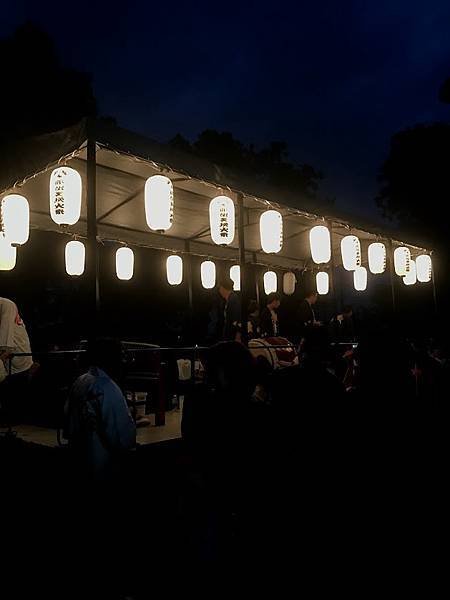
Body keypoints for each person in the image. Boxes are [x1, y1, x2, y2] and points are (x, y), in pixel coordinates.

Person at [65, 338, 136, 481]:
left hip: (77, 464)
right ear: (110, 358)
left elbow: (68, 424)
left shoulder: (80, 381)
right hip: (103, 470)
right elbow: (124, 439)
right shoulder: (107, 387)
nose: (124, 362)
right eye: (120, 356)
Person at [0, 297, 34, 422]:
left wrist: (3, 354)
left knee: (14, 393)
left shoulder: (6, 305)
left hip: (17, 353)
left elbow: (6, 343)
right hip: (8, 355)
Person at [218, 276, 241, 342]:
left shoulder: (233, 299)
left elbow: (237, 318)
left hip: (232, 334)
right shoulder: (228, 300)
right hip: (229, 333)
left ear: (222, 288)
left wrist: (238, 335)